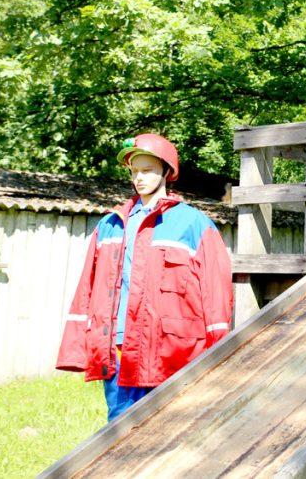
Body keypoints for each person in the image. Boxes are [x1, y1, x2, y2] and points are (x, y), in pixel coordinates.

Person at [56, 133, 234, 422]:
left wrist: (219, 353)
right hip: (117, 350)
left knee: (171, 432)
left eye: (147, 170)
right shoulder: (110, 224)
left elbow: (216, 293)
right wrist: (76, 346)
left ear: (166, 171)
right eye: (134, 171)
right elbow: (87, 290)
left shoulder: (193, 224)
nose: (139, 178)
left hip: (171, 352)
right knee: (120, 432)